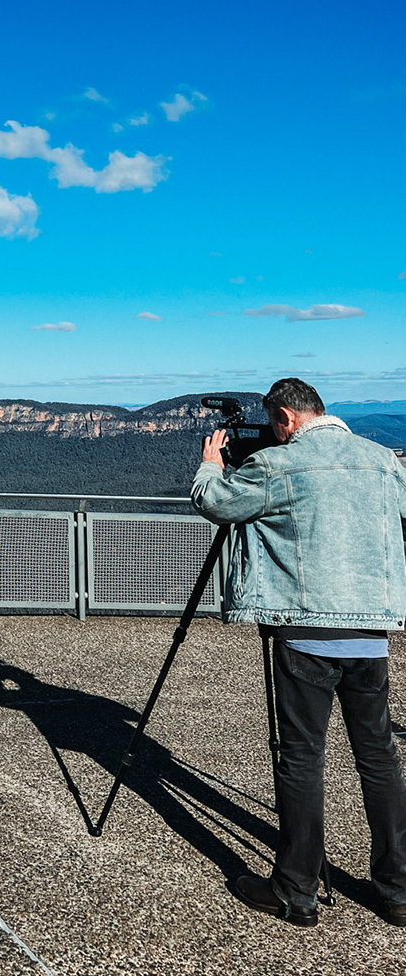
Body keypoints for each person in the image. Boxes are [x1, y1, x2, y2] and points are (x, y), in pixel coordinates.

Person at [192, 378, 406, 928]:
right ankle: (398, 891)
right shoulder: (386, 461)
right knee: (379, 758)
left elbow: (216, 504)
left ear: (286, 417)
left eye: (275, 426)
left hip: (305, 632)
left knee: (303, 758)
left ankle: (295, 891)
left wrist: (213, 462)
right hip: (371, 634)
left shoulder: (279, 467)